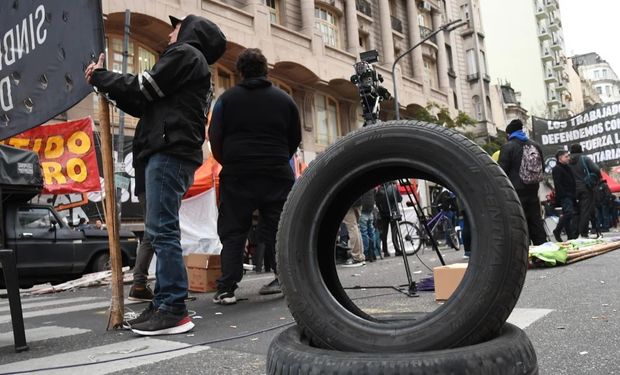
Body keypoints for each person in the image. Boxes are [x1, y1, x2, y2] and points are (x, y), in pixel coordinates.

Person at [86, 14, 226, 335]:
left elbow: (142, 86)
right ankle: (164, 301)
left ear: (191, 31)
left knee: (162, 231)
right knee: (159, 229)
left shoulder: (185, 55)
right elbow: (141, 101)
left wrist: (102, 77)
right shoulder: (190, 62)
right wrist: (106, 85)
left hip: (169, 151)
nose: (169, 33)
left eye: (175, 27)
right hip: (167, 150)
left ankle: (174, 307)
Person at [209, 48, 301, 305]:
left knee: (234, 230)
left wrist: (228, 160)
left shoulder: (227, 99)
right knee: (278, 228)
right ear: (265, 70)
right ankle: (283, 279)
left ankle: (227, 288)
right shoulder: (285, 100)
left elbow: (214, 136)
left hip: (238, 173)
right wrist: (280, 157)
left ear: (240, 71)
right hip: (276, 172)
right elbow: (294, 138)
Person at [498, 119, 547, 245]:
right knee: (536, 220)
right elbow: (543, 168)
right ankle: (542, 248)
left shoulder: (508, 147)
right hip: (533, 188)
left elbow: (501, 171)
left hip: (516, 190)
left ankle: (524, 250)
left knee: (520, 221)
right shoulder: (535, 145)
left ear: (509, 134)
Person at [128, 162, 155, 302]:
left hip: (146, 184)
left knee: (152, 234)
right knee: (158, 233)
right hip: (153, 183)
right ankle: (170, 287)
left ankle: (139, 285)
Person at [568, 143, 601, 239]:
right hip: (585, 188)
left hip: (573, 189)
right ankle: (584, 233)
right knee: (585, 211)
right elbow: (596, 169)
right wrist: (596, 179)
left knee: (575, 212)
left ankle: (574, 233)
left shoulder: (568, 160)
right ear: (580, 149)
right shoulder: (584, 158)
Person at [551, 150, 576, 242]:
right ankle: (557, 230)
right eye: (566, 156)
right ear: (560, 158)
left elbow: (572, 181)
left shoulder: (568, 168)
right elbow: (558, 184)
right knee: (568, 213)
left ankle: (570, 236)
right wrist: (564, 194)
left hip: (571, 194)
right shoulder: (557, 169)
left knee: (569, 215)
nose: (568, 158)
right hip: (565, 195)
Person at [375, 181, 403, 256]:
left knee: (384, 232)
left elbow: (377, 202)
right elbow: (400, 199)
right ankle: (397, 250)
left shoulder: (379, 190)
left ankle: (385, 251)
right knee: (394, 231)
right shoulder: (393, 188)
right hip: (393, 212)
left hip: (383, 213)